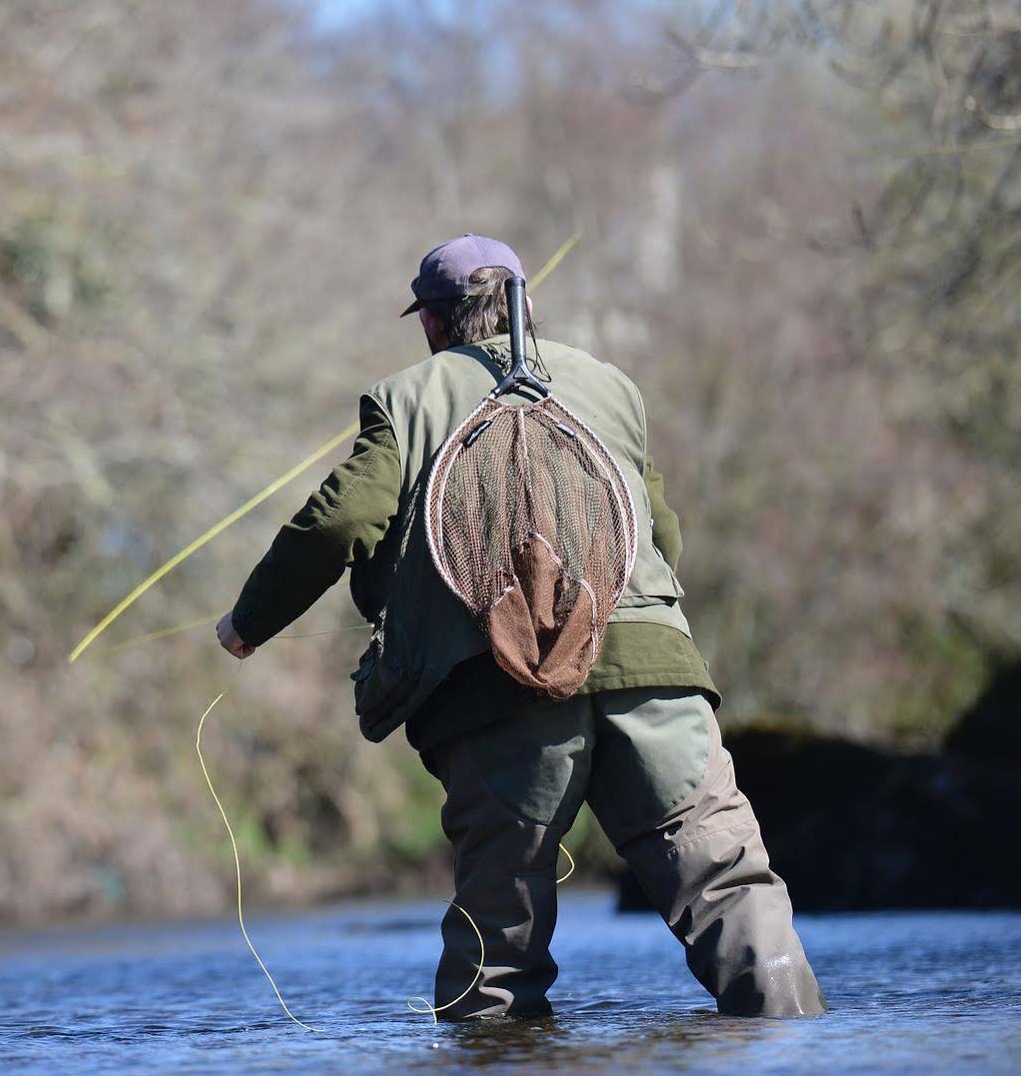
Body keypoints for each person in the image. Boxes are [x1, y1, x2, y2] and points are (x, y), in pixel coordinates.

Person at [215, 234, 825, 1019]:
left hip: (495, 693)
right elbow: (660, 536)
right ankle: (795, 1059)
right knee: (728, 884)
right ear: (526, 309)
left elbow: (338, 525)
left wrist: (248, 623)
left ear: (432, 326)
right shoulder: (610, 386)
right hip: (652, 672)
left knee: (497, 940)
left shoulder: (403, 399)